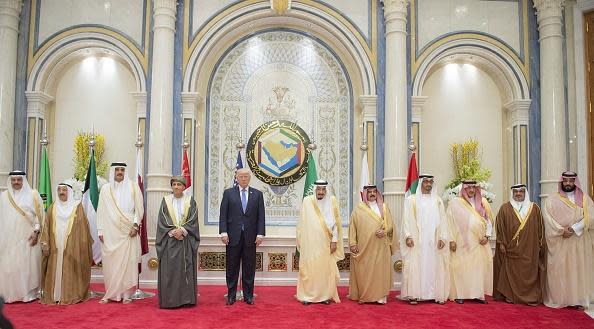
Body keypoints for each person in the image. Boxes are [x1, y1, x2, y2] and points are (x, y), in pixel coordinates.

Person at [543, 171, 594, 310]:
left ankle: (578, 300)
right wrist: (561, 230)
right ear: (561, 182)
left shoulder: (585, 199)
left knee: (578, 269)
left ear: (575, 182)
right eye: (565, 181)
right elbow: (548, 218)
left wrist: (574, 228)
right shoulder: (552, 199)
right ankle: (562, 299)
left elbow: (591, 216)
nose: (568, 184)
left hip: (579, 241)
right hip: (561, 242)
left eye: (571, 181)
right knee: (561, 270)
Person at [96, 162, 144, 304]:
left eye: (122, 169)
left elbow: (139, 208)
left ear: (125, 171)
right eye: (117, 169)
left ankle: (127, 295)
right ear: (112, 171)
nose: (119, 172)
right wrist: (100, 230)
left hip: (128, 230)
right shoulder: (105, 189)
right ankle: (111, 294)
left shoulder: (133, 186)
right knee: (112, 263)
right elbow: (101, 211)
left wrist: (136, 225)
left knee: (128, 263)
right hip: (110, 231)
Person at [40, 183, 93, 305]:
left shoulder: (77, 206)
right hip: (55, 246)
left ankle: (69, 295)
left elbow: (83, 227)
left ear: (69, 192)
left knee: (70, 269)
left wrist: (80, 245)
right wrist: (45, 243)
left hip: (72, 246)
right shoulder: (53, 207)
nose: (61, 192)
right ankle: (55, 296)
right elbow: (46, 226)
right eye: (59, 190)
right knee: (55, 268)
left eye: (64, 190)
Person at [400, 175, 450, 305]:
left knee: (433, 265)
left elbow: (443, 221)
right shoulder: (411, 200)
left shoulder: (437, 201)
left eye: (430, 182)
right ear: (421, 183)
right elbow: (406, 219)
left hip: (433, 241)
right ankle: (414, 295)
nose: (428, 184)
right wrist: (408, 236)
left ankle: (433, 294)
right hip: (417, 240)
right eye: (426, 182)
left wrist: (443, 237)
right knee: (416, 265)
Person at [493, 184, 545, 305]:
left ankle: (530, 296)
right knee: (512, 272)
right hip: (511, 249)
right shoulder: (505, 208)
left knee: (529, 272)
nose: (518, 194)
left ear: (525, 193)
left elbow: (540, 229)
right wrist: (501, 243)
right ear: (512, 193)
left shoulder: (534, 208)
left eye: (521, 191)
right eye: (515, 191)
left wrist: (540, 245)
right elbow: (499, 227)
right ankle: (511, 296)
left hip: (530, 248)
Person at [219, 168, 265, 306]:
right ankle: (231, 296)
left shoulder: (257, 194)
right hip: (232, 237)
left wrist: (260, 233)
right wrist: (223, 232)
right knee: (232, 268)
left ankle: (248, 296)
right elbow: (223, 215)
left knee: (249, 268)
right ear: (236, 178)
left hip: (251, 237)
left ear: (249, 178)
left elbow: (261, 216)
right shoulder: (228, 193)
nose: (243, 179)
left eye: (246, 176)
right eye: (241, 176)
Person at [296, 179, 344, 305]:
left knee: (324, 270)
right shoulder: (307, 201)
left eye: (323, 189)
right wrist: (301, 240)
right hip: (310, 243)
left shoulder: (332, 201)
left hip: (325, 243)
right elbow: (302, 222)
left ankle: (324, 296)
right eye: (319, 189)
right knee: (310, 269)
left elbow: (336, 225)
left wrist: (334, 241)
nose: (321, 192)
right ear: (315, 189)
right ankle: (307, 296)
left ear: (326, 190)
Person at [447, 180, 494, 304]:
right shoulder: (455, 203)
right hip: (461, 241)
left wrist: (487, 236)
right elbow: (449, 221)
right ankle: (461, 294)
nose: (471, 190)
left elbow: (489, 221)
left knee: (478, 268)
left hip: (478, 242)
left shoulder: (483, 202)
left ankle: (478, 295)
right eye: (469, 188)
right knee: (462, 268)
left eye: (473, 187)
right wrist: (451, 240)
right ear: (464, 189)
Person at [156, 176, 200, 309]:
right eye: (174, 184)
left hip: (185, 242)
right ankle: (170, 300)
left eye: (179, 184)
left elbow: (193, 219)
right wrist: (173, 232)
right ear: (171, 186)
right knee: (170, 271)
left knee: (184, 270)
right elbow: (162, 220)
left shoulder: (190, 201)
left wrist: (182, 230)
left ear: (184, 187)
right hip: (169, 242)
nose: (176, 187)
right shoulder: (166, 201)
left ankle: (186, 299)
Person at [0, 171, 44, 303]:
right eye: (13, 180)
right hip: (9, 239)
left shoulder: (33, 195)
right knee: (10, 266)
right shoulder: (4, 196)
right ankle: (10, 294)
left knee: (27, 266)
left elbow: (39, 215)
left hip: (28, 238)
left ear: (23, 180)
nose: (16, 183)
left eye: (19, 180)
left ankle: (27, 294)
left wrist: (36, 232)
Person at [348, 184, 396, 304]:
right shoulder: (358, 209)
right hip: (364, 247)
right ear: (365, 194)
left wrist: (384, 231)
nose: (373, 194)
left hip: (381, 246)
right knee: (365, 271)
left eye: (375, 191)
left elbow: (390, 226)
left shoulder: (384, 208)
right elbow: (352, 227)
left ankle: (380, 297)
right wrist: (353, 243)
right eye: (370, 192)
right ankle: (365, 296)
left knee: (380, 271)